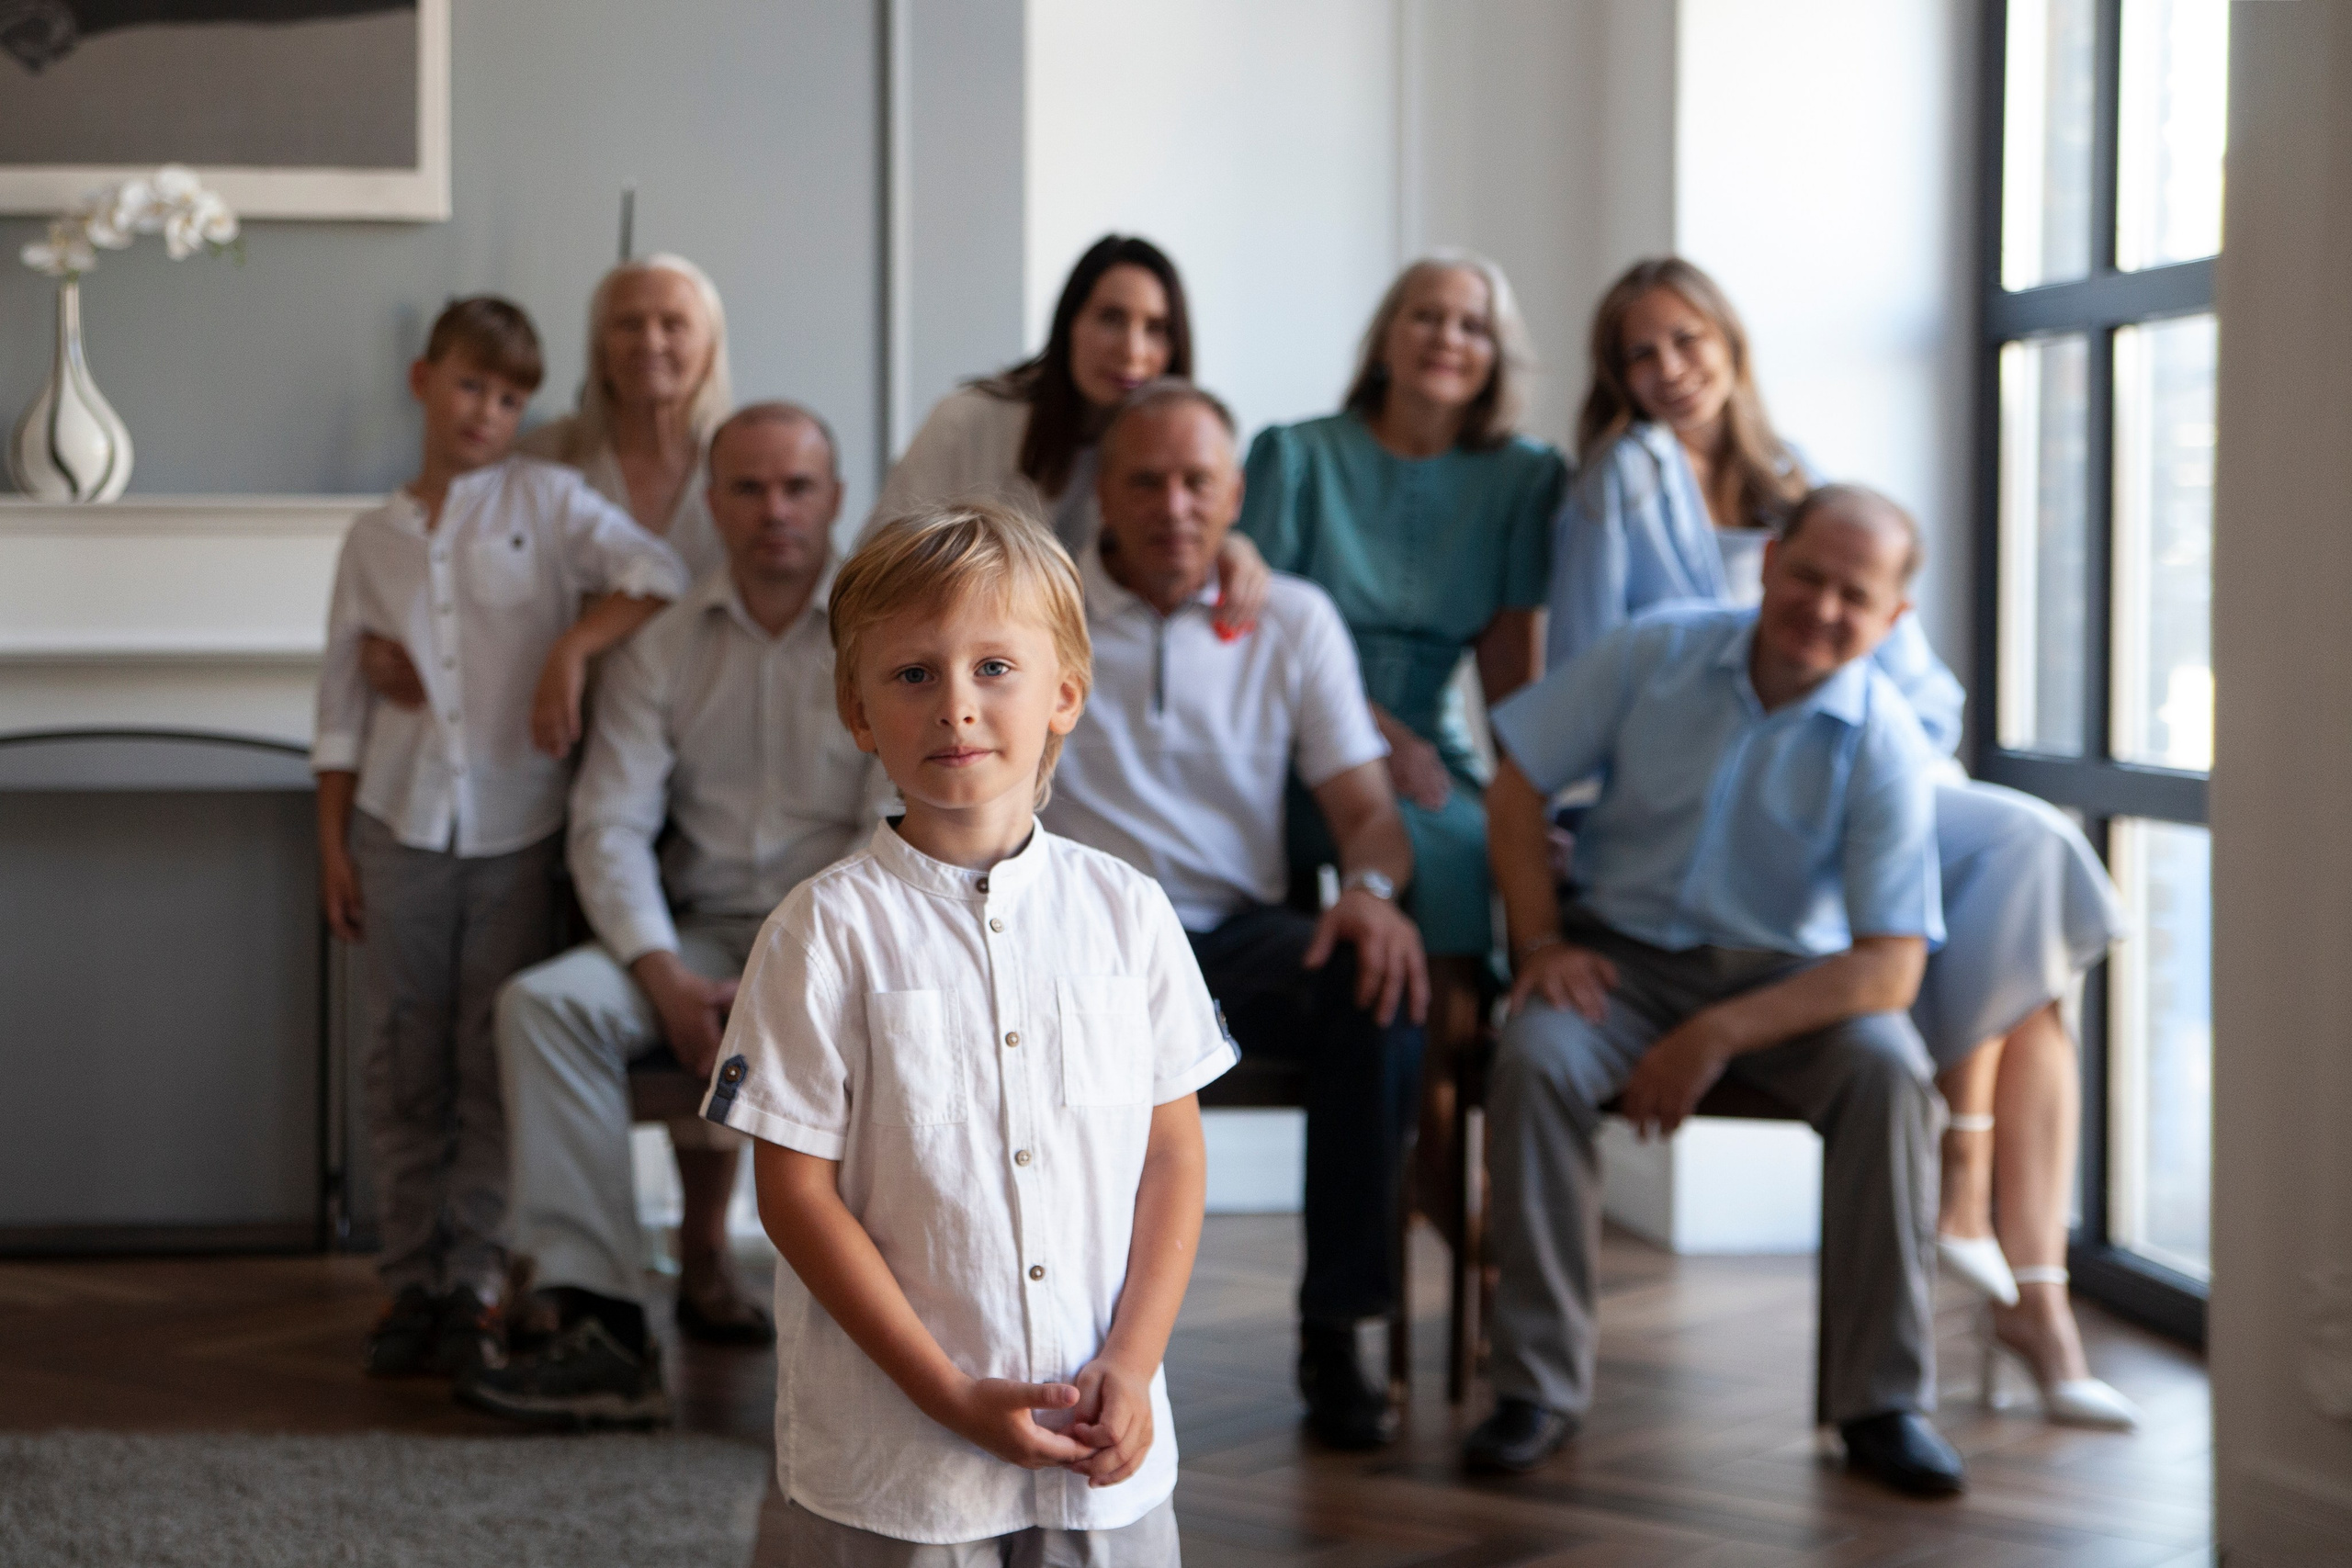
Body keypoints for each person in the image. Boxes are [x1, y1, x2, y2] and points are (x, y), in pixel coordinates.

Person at [1548, 256, 2136, 1428]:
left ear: (1728, 343)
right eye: (1638, 354)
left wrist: (1870, 751)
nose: (1666, 371)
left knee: (2028, 881)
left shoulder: (1796, 479)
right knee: (2025, 880)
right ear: (1615, 378)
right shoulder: (1621, 481)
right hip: (1730, 769)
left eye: (1684, 341)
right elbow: (1591, 664)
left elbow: (1917, 692)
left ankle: (2001, 1241)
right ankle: (1987, 1233)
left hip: (1866, 760)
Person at [716, 501, 1230, 1562]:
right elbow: (794, 1193)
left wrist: (1131, 1364)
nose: (956, 705)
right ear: (859, 713)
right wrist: (944, 1392)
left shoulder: (1128, 915)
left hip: (1104, 1458)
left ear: (1065, 696)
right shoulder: (820, 934)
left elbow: (1171, 1151)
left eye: (995, 667)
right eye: (913, 676)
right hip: (897, 1473)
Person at [1467, 487, 1964, 1497]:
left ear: (1892, 620)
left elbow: (1888, 967)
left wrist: (1715, 1035)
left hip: (1791, 988)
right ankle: (1535, 1389)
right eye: (1810, 576)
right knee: (1534, 1058)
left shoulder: (1886, 744)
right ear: (1770, 561)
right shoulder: (1656, 651)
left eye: (1853, 595)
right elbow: (1517, 785)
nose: (1822, 607)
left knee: (1892, 1076)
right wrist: (1540, 944)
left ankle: (1881, 1403)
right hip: (1621, 960)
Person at [462, 403, 885, 1427]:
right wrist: (660, 973)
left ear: (835, 500)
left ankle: (891, 1337)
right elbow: (606, 827)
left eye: (797, 487)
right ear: (713, 503)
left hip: (849, 944)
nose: (774, 510)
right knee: (543, 1006)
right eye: (748, 488)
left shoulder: (884, 639)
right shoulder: (662, 649)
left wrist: (789, 975)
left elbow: (898, 830)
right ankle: (599, 1319)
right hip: (695, 941)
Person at [363, 254, 762, 1337]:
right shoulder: (545, 454)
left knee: (690, 1004)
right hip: (555, 776)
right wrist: (400, 662)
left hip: (704, 768)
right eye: (627, 323)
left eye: (674, 322)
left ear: (708, 335)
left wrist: (576, 649)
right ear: (598, 343)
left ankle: (706, 1250)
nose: (652, 343)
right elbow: (454, 588)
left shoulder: (738, 460)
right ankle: (556, 1262)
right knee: (562, 1007)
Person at [1041, 380, 1430, 1450]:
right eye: (1145, 481)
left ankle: (1341, 1324)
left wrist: (1371, 895)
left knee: (1376, 987)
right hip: (1085, 945)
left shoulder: (1290, 618)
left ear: (1234, 493)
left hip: (1239, 938)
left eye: (1195, 481)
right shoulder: (1047, 608)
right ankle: (1053, 1338)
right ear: (1102, 496)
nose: (1172, 505)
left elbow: (1367, 813)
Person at [311, 297, 684, 1382]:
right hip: (397, 826)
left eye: (512, 397)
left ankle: (474, 1280)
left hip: (520, 830)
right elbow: (337, 702)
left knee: (488, 1058)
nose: (489, 412)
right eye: (472, 386)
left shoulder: (550, 499)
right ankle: (408, 1280)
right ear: (426, 382)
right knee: (400, 1059)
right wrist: (333, 844)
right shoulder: (371, 538)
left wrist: (572, 646)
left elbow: (656, 573)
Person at [1237, 251, 1566, 1236]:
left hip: (1433, 743)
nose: (1446, 339)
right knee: (1408, 835)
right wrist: (1373, 740)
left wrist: (1528, 798)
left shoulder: (1522, 477)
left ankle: (1435, 1128)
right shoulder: (1294, 454)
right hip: (1294, 734)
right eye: (1425, 317)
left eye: (1471, 326)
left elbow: (1512, 666)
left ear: (1496, 356)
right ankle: (1384, 1141)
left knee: (1473, 849)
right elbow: (1254, 630)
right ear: (1386, 337)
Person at [870, 232, 1271, 629]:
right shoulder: (968, 423)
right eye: (1111, 319)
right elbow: (880, 568)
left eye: (1156, 328)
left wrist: (1227, 546)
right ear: (1070, 325)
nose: (1133, 351)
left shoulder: (1178, 450)